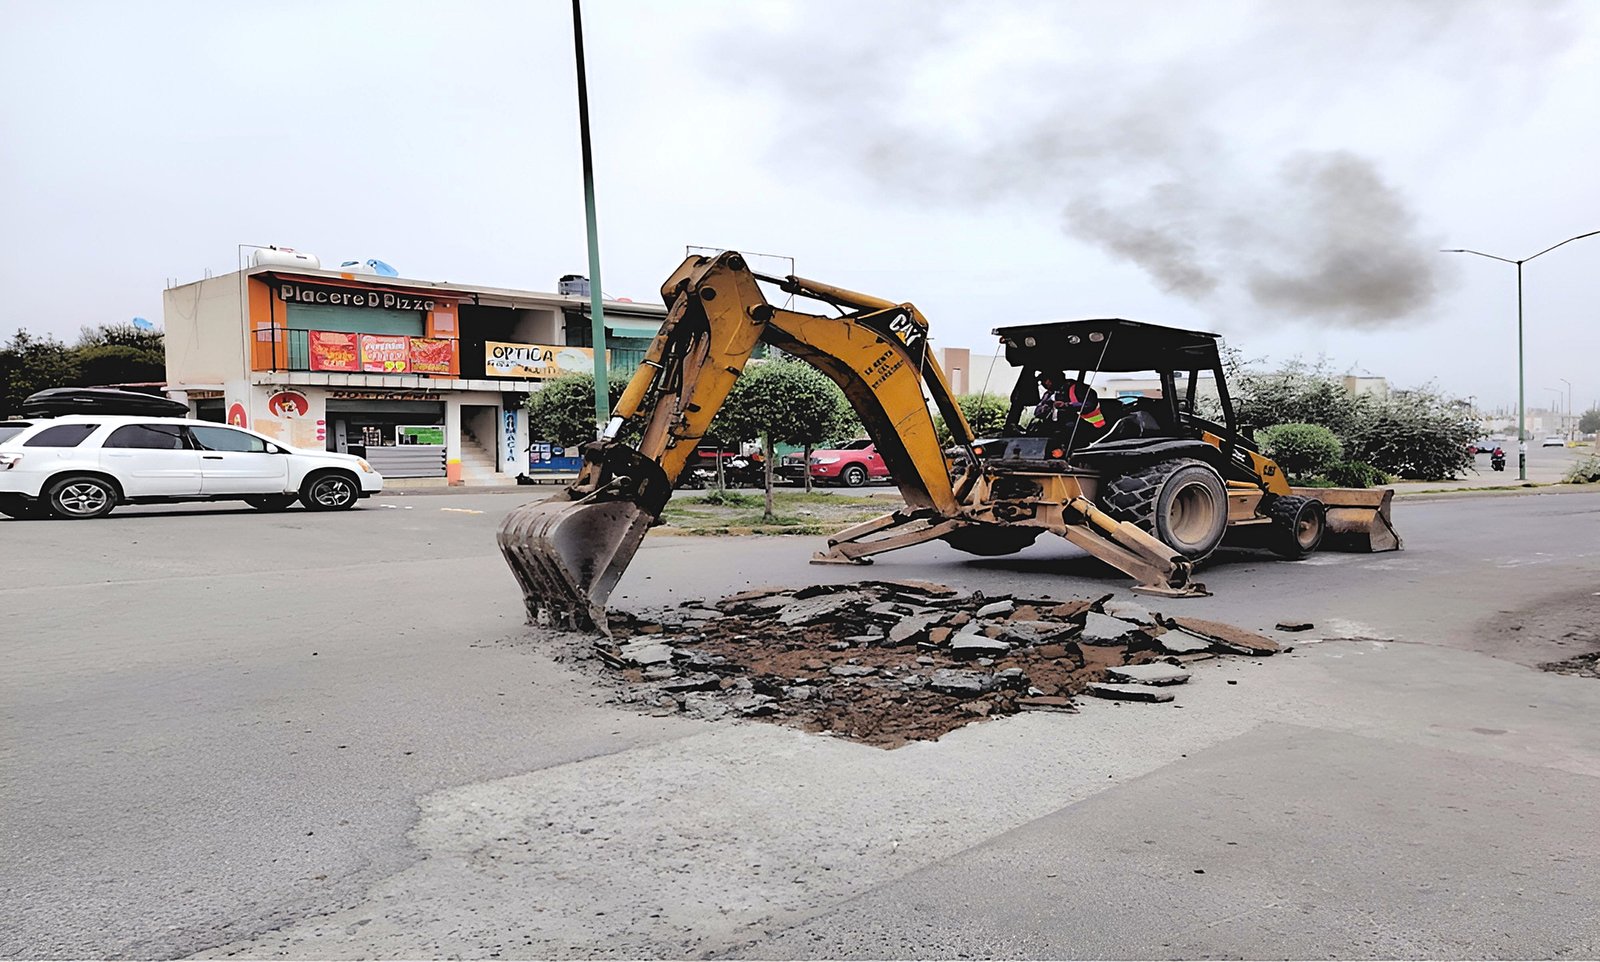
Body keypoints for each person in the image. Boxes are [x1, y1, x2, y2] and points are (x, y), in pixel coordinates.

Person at [1032, 371, 1107, 436]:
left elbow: (1090, 404)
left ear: (1055, 378)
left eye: (1045, 380)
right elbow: (1037, 413)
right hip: (1053, 432)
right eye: (1041, 381)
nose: (1043, 384)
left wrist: (1066, 405)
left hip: (1083, 430)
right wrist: (1047, 406)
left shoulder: (1079, 389)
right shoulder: (1048, 394)